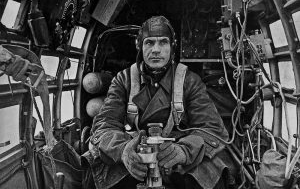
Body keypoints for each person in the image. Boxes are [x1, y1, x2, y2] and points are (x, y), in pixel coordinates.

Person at [82, 16, 233, 189]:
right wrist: (123, 151)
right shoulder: (124, 79)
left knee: (213, 171)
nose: (156, 50)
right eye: (149, 42)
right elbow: (103, 126)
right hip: (136, 156)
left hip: (175, 159)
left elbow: (212, 129)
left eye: (163, 42)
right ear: (140, 46)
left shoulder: (189, 81)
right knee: (94, 165)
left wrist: (184, 151)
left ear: (172, 46)